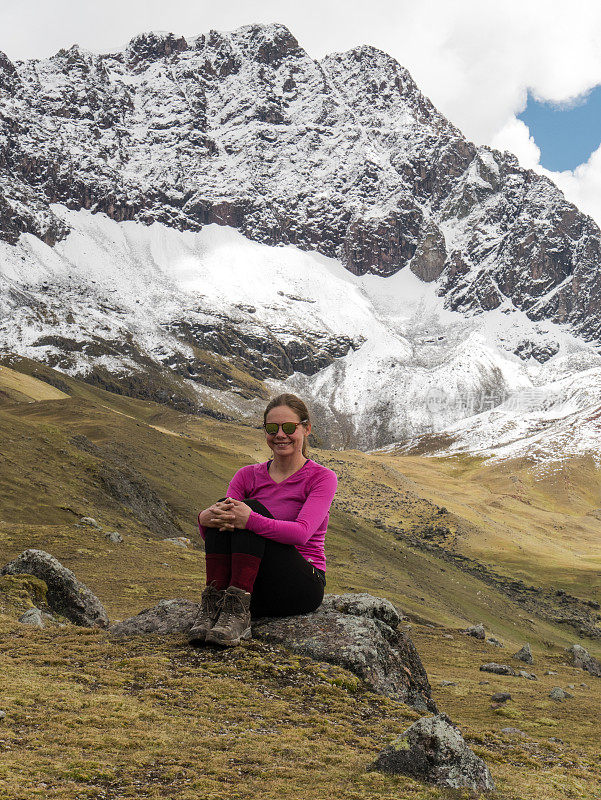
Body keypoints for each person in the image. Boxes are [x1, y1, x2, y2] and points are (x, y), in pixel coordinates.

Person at [189, 393, 337, 647]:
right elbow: (221, 529)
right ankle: (215, 602)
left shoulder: (322, 478)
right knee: (227, 508)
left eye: (289, 427)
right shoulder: (246, 476)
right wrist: (203, 518)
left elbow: (302, 534)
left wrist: (251, 519)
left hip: (301, 585)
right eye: (272, 428)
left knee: (246, 509)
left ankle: (236, 615)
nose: (280, 434)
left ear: (306, 429)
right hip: (252, 588)